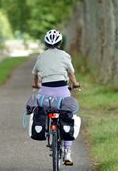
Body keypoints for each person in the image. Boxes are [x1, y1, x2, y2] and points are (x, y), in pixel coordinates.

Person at [32, 29, 81, 164]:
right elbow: (70, 73)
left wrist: (36, 85)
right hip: (62, 92)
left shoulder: (41, 57)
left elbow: (36, 75)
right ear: (60, 43)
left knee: (45, 109)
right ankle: (68, 152)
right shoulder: (65, 55)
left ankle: (48, 133)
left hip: (44, 95)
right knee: (70, 115)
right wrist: (75, 84)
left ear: (46, 43)